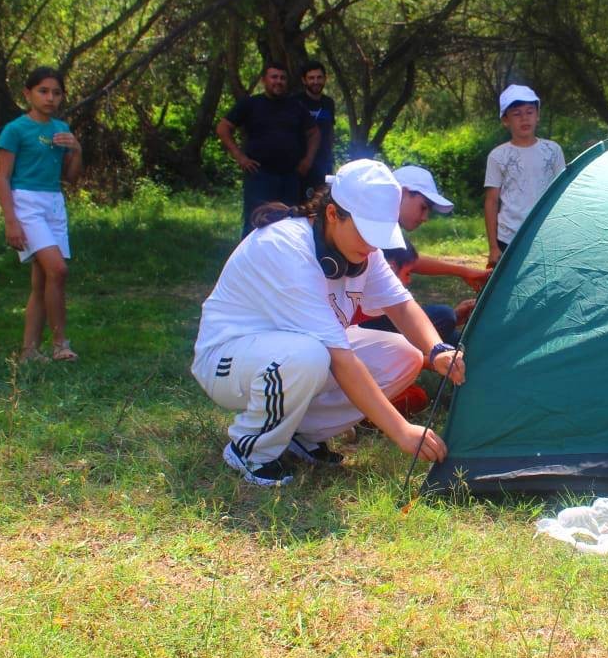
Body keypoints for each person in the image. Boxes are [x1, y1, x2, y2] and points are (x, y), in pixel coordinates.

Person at [191, 159, 467, 487]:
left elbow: (402, 305)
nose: (373, 244)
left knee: (404, 355)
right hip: (228, 359)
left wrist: (436, 350)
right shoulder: (286, 247)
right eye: (366, 231)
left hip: (292, 356)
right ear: (333, 214)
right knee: (308, 356)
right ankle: (251, 449)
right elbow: (339, 358)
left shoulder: (365, 251)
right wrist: (401, 431)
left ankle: (300, 435)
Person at [0, 67, 83, 363]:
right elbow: (3, 177)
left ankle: (29, 350)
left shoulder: (60, 129)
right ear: (28, 94)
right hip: (26, 202)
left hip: (54, 202)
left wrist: (77, 151)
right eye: (43, 91)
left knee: (44, 280)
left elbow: (71, 177)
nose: (50, 98)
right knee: (58, 270)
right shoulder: (15, 129)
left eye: (56, 93)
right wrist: (11, 220)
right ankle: (60, 343)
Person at [357, 164, 488, 345]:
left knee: (454, 339)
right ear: (402, 193)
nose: (425, 218)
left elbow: (410, 262)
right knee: (443, 316)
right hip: (361, 323)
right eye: (423, 207)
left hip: (375, 317)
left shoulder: (389, 229)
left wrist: (463, 271)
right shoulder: (374, 230)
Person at [216, 62, 319, 236]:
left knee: (288, 223)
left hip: (290, 177)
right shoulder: (250, 104)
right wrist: (239, 156)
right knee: (256, 222)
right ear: (264, 80)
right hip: (260, 176)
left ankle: (281, 260)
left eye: (282, 78)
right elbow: (223, 128)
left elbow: (314, 133)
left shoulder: (296, 106)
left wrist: (307, 160)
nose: (278, 81)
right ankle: (249, 261)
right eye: (274, 77)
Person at [484, 84, 565, 268]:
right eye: (517, 114)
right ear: (505, 120)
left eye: (529, 112)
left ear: (537, 116)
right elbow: (491, 201)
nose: (524, 118)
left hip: (545, 234)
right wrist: (493, 247)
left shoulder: (552, 150)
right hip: (509, 237)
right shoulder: (498, 156)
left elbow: (563, 193)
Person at [293, 60, 336, 201]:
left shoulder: (329, 103)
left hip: (323, 163)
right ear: (304, 81)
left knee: (320, 204)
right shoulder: (295, 102)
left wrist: (331, 157)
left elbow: (330, 130)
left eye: (319, 77)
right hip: (300, 164)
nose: (315, 81)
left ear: (325, 78)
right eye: (311, 78)